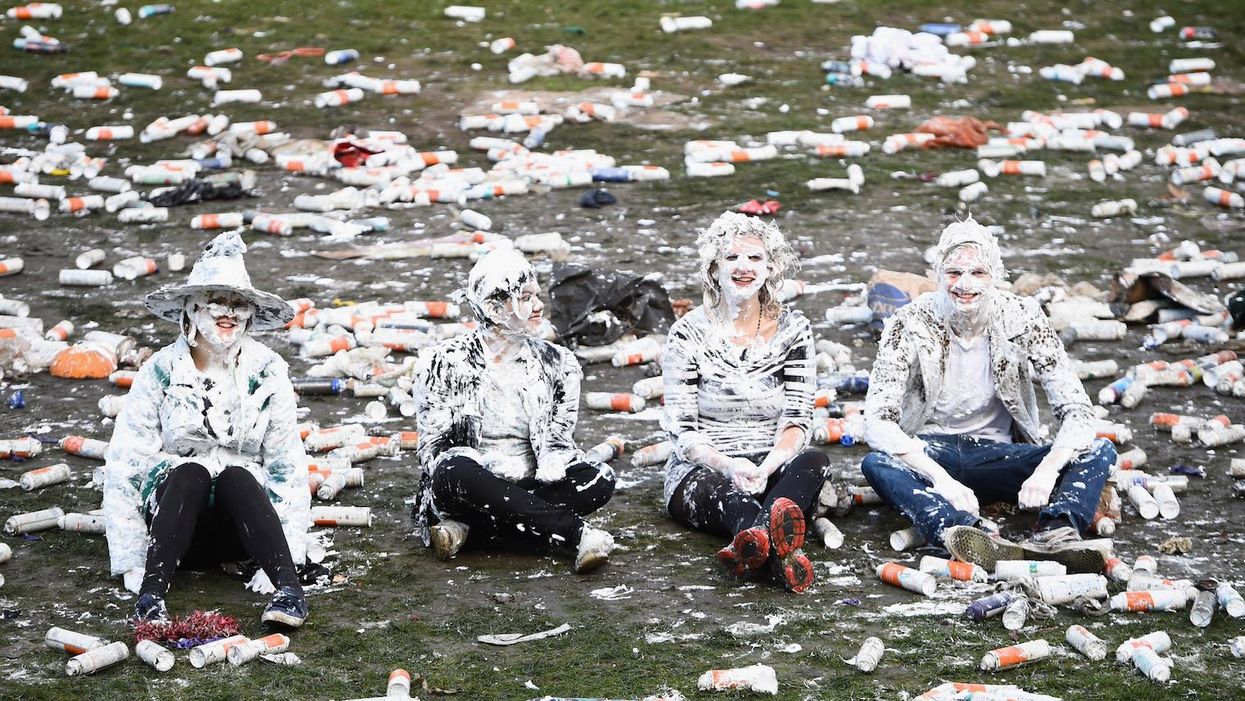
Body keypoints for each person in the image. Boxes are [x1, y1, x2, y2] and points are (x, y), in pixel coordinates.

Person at [861, 217, 1116, 572]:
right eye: (953, 273)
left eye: (977, 273)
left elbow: (1078, 410)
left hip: (1000, 454)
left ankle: (1056, 531)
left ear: (995, 275)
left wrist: (1046, 470)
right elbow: (876, 422)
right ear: (937, 274)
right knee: (878, 463)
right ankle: (967, 534)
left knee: (1099, 449)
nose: (964, 284)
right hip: (934, 452)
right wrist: (942, 480)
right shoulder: (909, 322)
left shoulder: (1023, 316)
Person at [103, 232, 311, 627]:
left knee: (237, 476)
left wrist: (290, 548)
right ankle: (152, 594)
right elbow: (127, 465)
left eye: (238, 304)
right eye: (216, 301)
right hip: (176, 524)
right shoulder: (161, 372)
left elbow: (287, 465)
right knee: (190, 472)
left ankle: (289, 590)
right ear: (192, 310)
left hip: (243, 531)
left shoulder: (268, 371)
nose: (228, 312)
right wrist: (130, 555)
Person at [411, 248, 616, 573]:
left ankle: (471, 530)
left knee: (599, 478)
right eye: (525, 297)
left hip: (530, 480)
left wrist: (540, 468)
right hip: (464, 488)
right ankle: (575, 533)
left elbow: (559, 444)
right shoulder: (441, 364)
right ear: (494, 306)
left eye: (538, 295)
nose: (538, 306)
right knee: (454, 470)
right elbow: (433, 452)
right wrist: (493, 473)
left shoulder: (559, 364)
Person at [661, 211, 827, 593]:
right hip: (704, 470)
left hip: (772, 464)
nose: (743, 267)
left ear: (770, 267)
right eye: (731, 257)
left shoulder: (794, 329)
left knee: (815, 460)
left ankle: (755, 543)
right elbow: (683, 432)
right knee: (730, 496)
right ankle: (772, 547)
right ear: (714, 268)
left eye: (754, 258)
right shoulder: (687, 333)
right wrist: (727, 464)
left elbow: (799, 419)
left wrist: (767, 466)